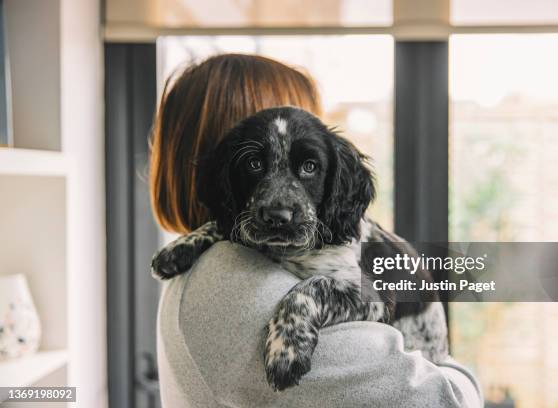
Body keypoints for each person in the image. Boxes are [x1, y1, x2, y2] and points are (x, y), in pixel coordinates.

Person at [150, 53, 482, 407]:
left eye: (308, 165)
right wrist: (458, 375)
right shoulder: (234, 284)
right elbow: (445, 401)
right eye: (256, 164)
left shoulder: (223, 267)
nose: (280, 200)